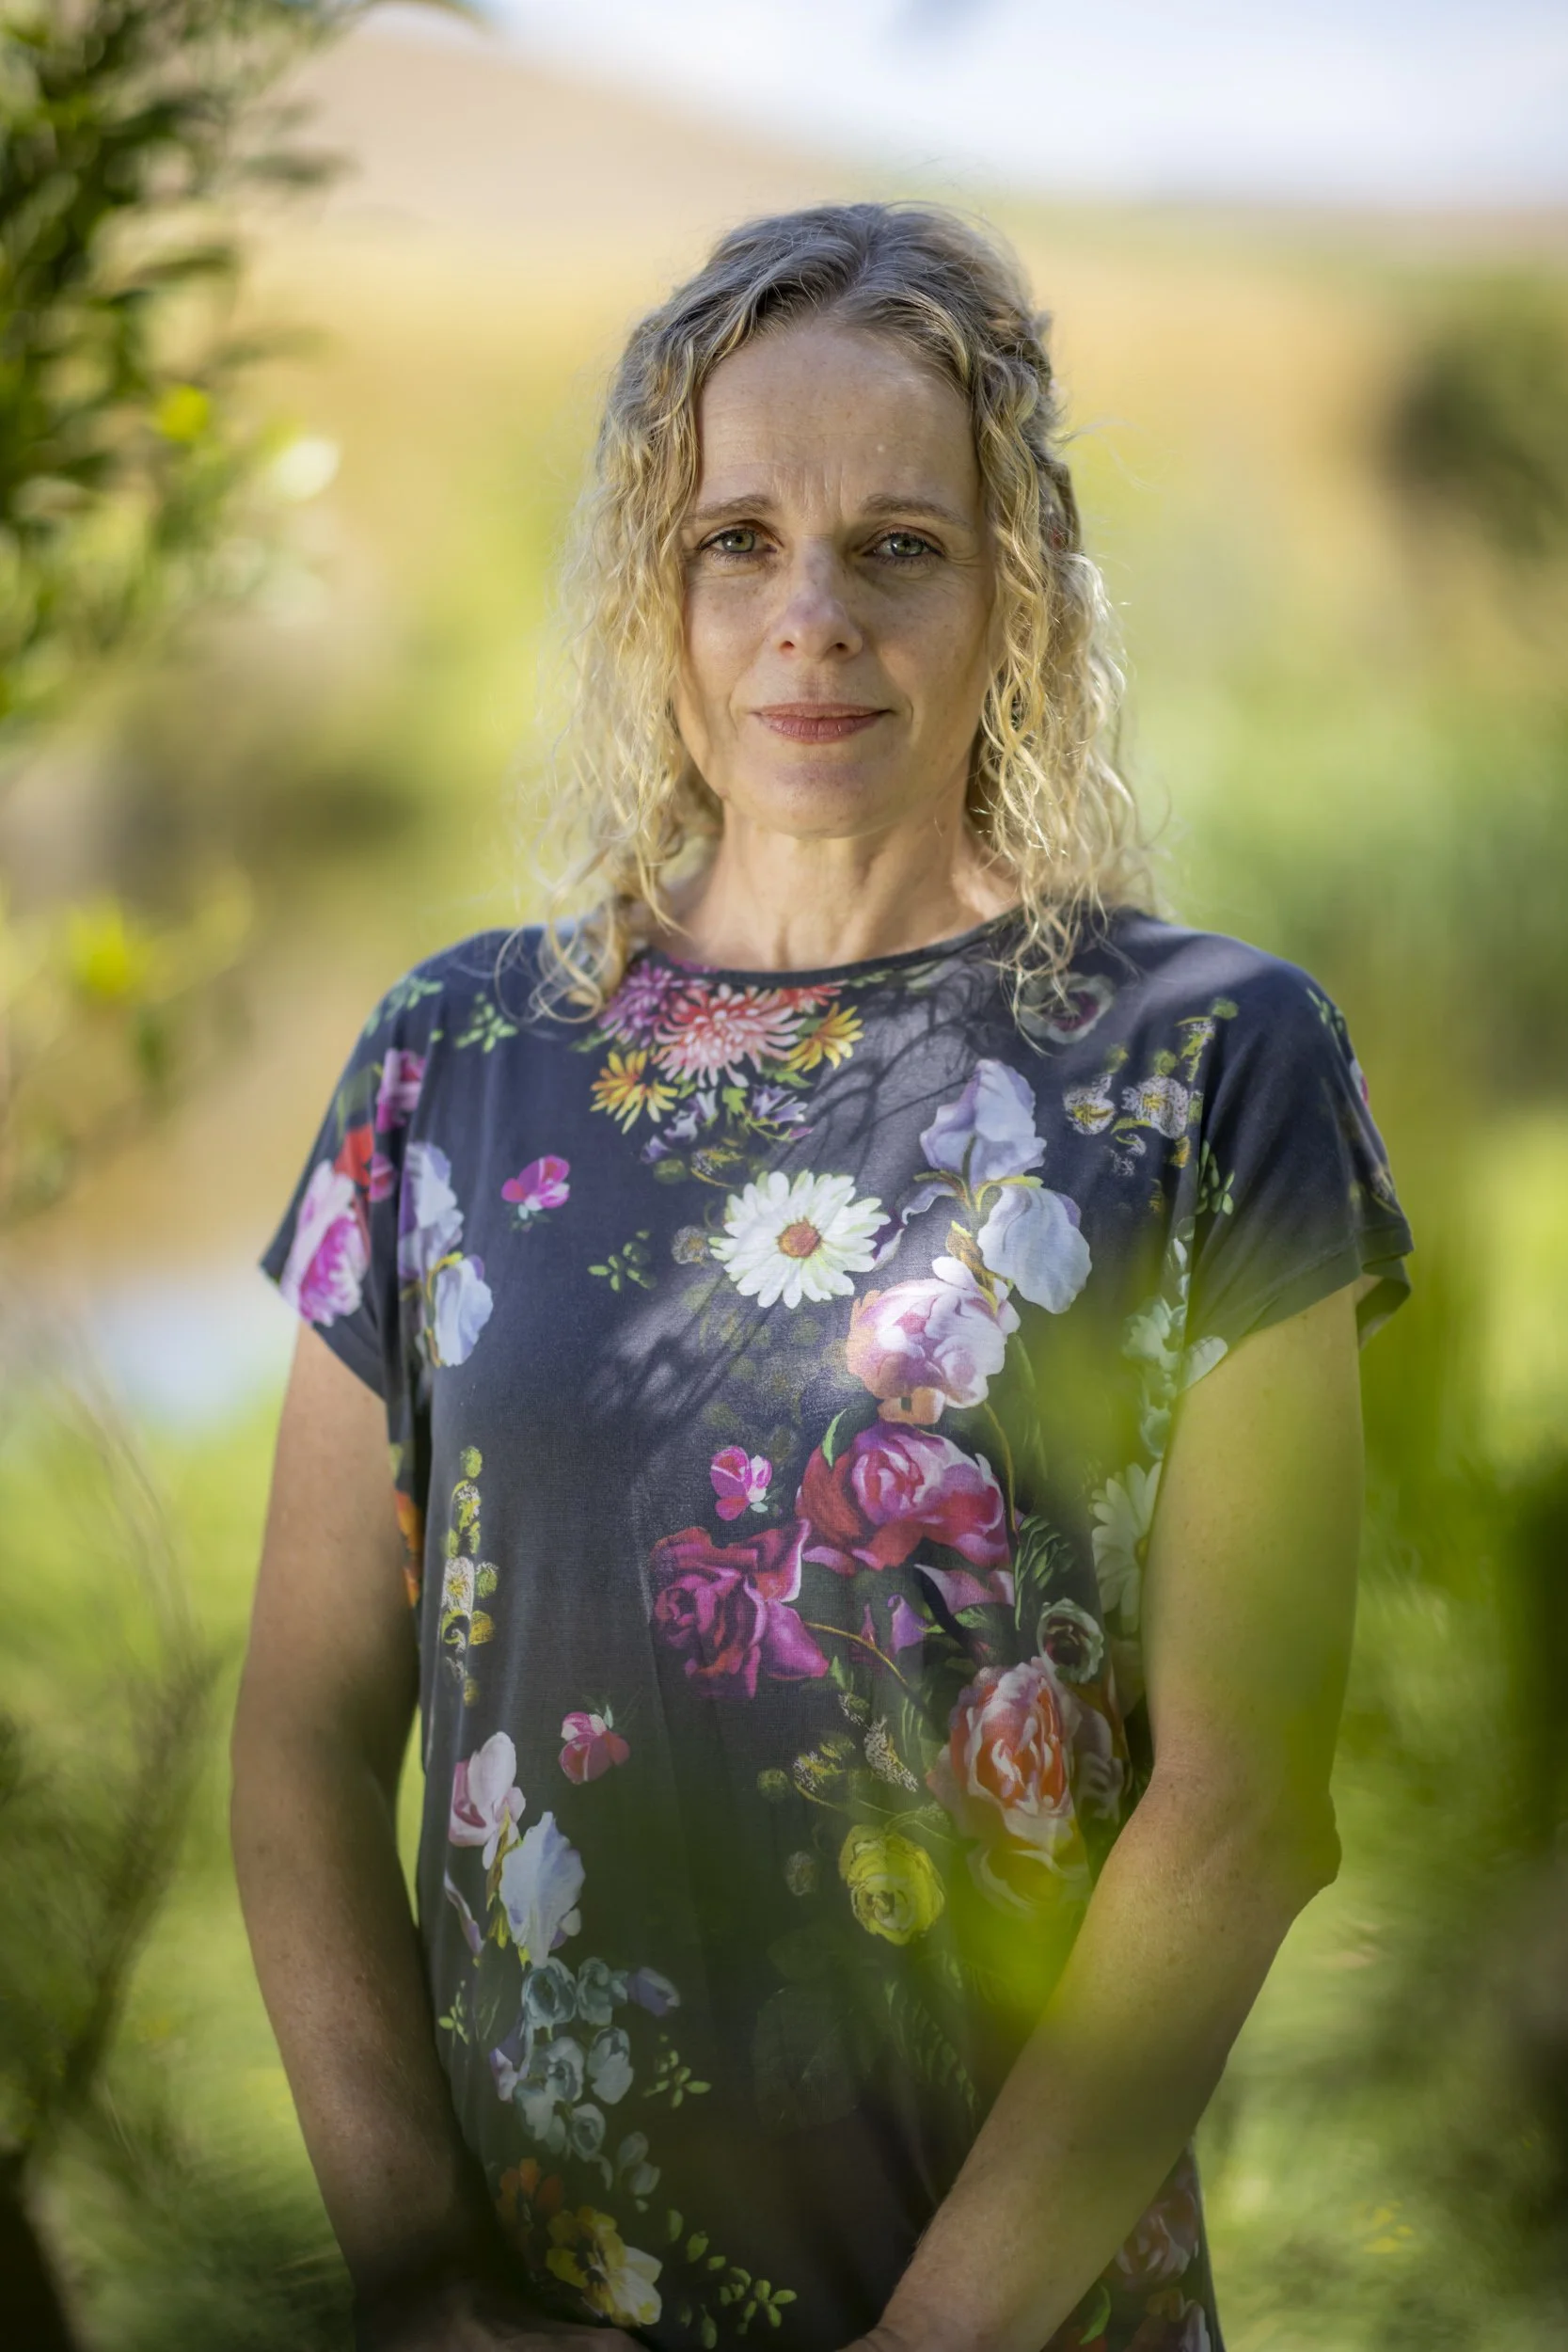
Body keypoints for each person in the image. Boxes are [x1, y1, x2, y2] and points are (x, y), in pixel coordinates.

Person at [232, 202, 1414, 2352]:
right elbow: (304, 1737)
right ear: (648, 592)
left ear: (1013, 597)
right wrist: (414, 2296)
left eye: (895, 548)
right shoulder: (453, 1059)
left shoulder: (1207, 1069)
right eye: (736, 542)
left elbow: (1244, 1807)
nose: (810, 624)